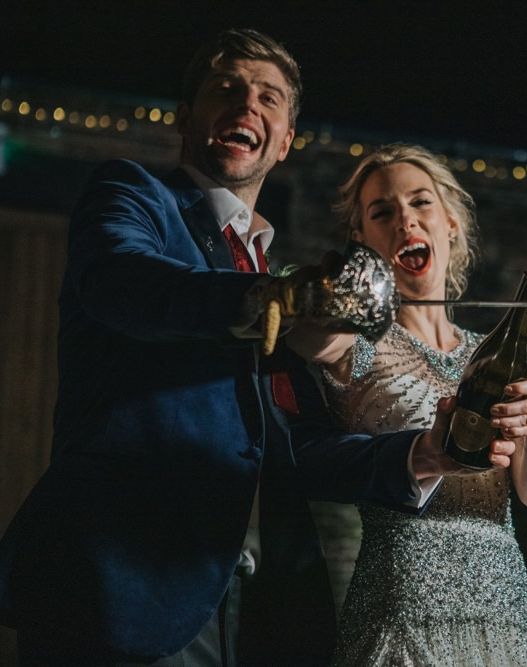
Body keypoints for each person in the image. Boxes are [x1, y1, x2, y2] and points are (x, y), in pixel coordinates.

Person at [0, 33, 464, 666]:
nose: (247, 103)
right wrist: (274, 297)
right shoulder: (133, 197)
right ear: (187, 118)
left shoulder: (264, 263)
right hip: (125, 585)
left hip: (258, 605)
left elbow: (297, 445)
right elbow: (125, 283)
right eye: (227, 89)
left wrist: (424, 454)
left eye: (268, 97)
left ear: (284, 138)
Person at [290, 144, 527, 665]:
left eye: (421, 204)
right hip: (401, 606)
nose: (405, 221)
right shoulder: (358, 343)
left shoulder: (494, 352)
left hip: (503, 609)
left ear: (450, 225)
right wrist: (347, 295)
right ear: (362, 239)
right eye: (382, 212)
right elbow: (304, 339)